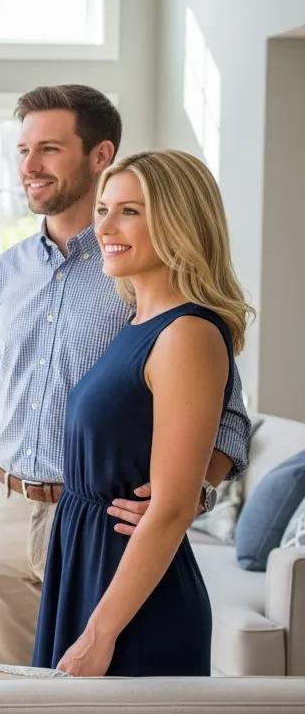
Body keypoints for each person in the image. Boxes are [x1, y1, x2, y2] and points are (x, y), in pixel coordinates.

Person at [0, 85, 250, 666]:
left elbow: (225, 412)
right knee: (8, 696)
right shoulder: (8, 270)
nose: (30, 166)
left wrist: (185, 497)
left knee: (86, 681)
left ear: (99, 155)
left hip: (101, 524)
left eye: (48, 149)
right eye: (22, 150)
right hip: (6, 510)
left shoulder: (141, 275)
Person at [33, 149, 252, 675]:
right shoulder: (137, 321)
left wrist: (100, 632)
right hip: (87, 563)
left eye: (130, 211)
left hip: (131, 593)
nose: (105, 225)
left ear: (180, 224)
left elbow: (173, 508)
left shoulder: (188, 335)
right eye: (104, 209)